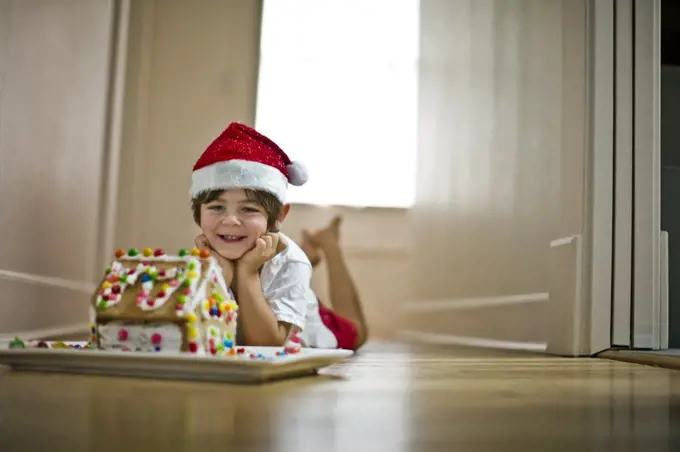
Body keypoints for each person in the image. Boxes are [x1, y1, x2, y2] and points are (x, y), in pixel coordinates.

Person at [189, 121, 366, 350]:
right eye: (216, 207)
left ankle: (329, 244)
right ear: (199, 211)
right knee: (289, 271)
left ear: (279, 215)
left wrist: (247, 272)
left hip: (318, 325)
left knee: (357, 331)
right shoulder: (207, 256)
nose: (230, 220)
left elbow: (267, 344)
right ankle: (310, 255)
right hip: (279, 282)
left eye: (249, 209)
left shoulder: (292, 262)